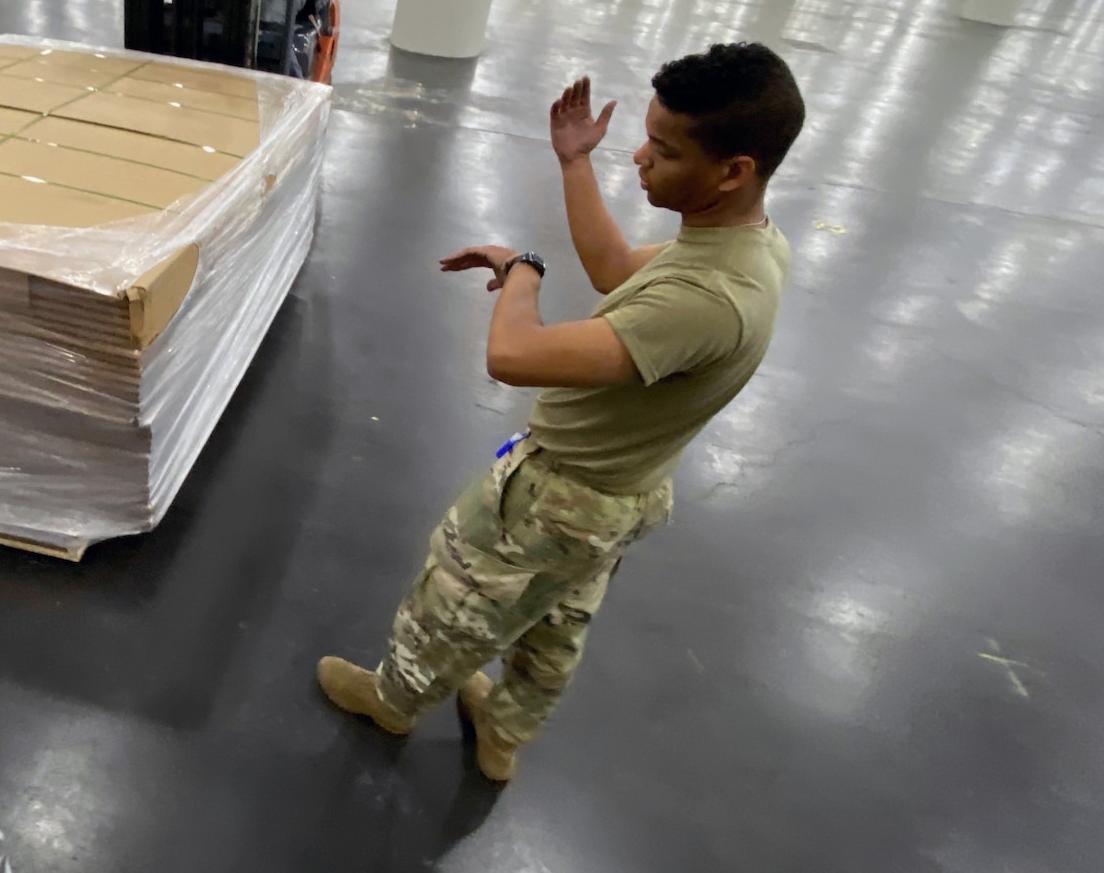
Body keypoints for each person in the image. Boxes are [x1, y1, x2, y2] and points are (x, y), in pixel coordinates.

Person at [316, 43, 804, 783]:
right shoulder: (744, 246)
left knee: (458, 594)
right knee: (556, 620)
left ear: (735, 169)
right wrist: (576, 163)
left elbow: (514, 355)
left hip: (560, 494)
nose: (639, 157)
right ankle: (504, 732)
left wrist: (522, 270)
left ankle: (393, 699)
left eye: (665, 150)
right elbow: (614, 269)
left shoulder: (706, 302)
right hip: (622, 493)